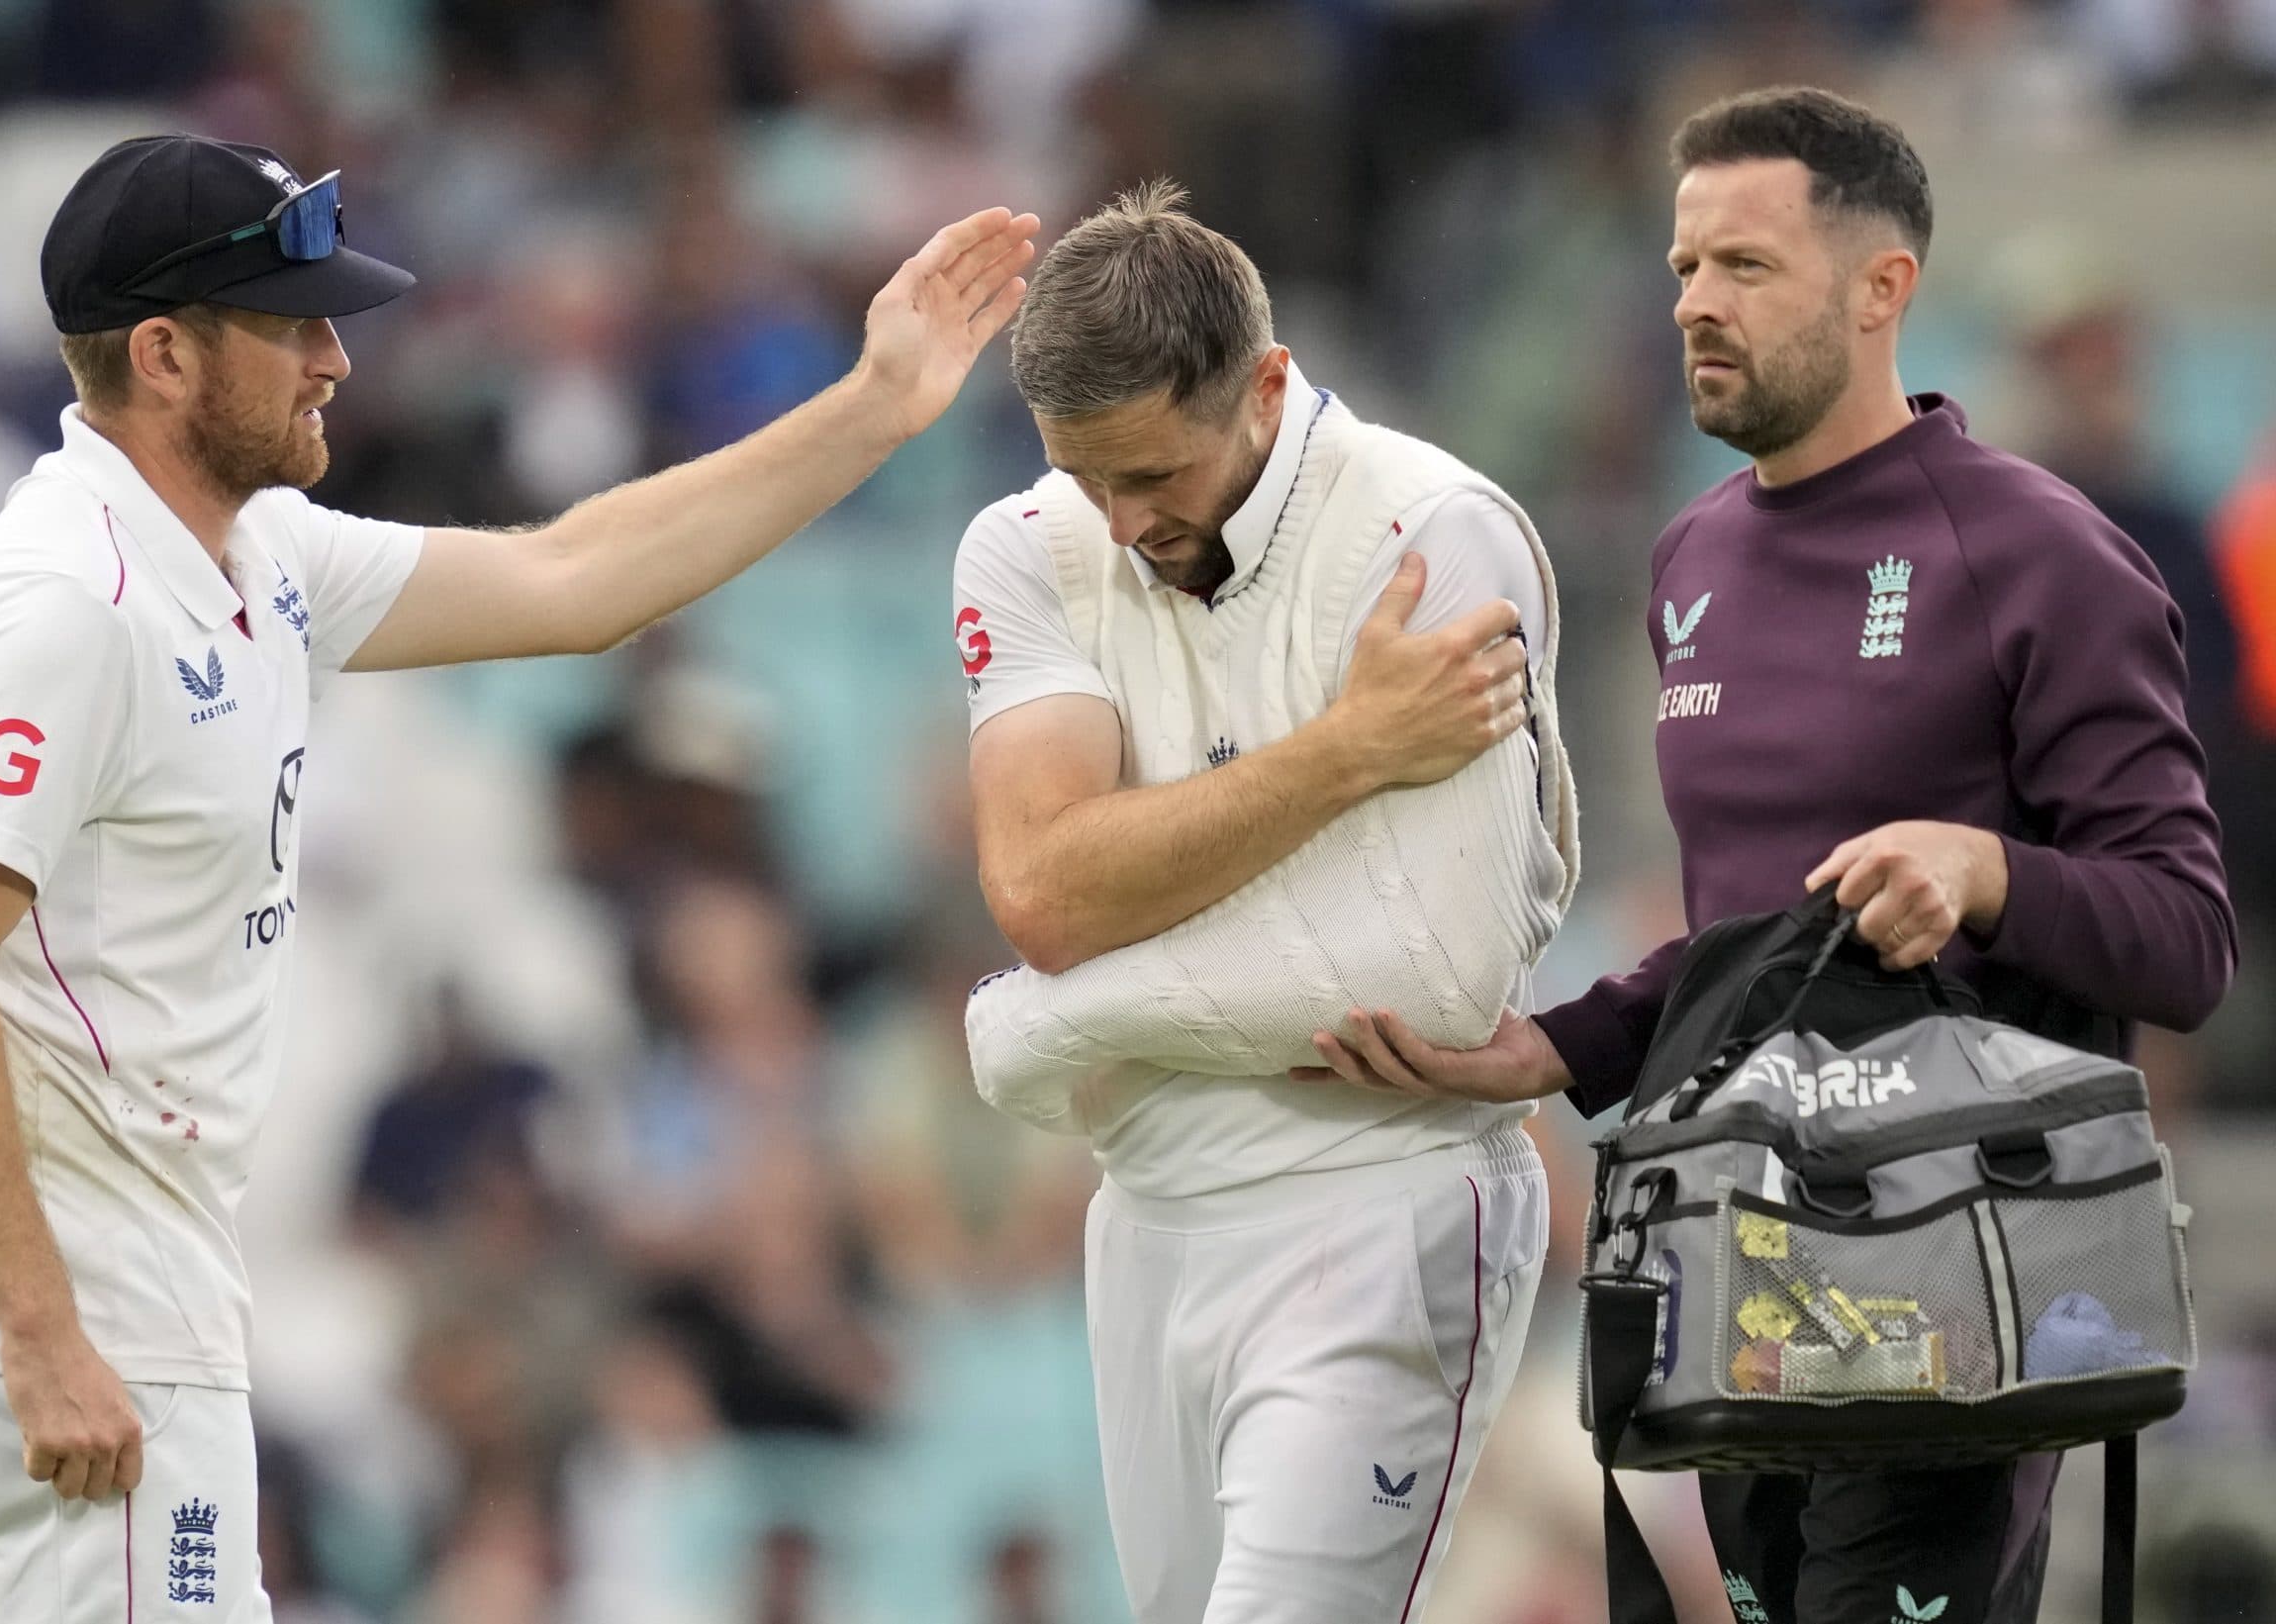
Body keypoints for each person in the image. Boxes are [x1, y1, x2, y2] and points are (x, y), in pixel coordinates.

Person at [0, 132, 1033, 1622]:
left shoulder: (244, 547)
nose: (335, 359)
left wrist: (871, 410)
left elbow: (571, 579)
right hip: (73, 1270)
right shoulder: (67, 604)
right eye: (291, 326)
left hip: (94, 1253)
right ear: (163, 355)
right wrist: (39, 1324)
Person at [1303, 88, 2235, 1624]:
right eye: (1681, 269)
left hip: (1955, 1277)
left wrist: (1984, 868)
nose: (1694, 306)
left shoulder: (2043, 554)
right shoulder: (1692, 558)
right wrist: (1554, 1044)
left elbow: (2188, 937)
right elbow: (1753, 940)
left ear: (1884, 291)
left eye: (1744, 267)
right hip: (1737, 1266)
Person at [954, 181, 1577, 1624]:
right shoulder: (1030, 541)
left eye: (1152, 475)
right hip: (1151, 1211)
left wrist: (1062, 1023)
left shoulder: (1434, 529)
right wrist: (1348, 753)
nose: (1119, 521)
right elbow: (1045, 893)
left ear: (1267, 387)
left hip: (1386, 1200)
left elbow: (1435, 976)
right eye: (1083, 474)